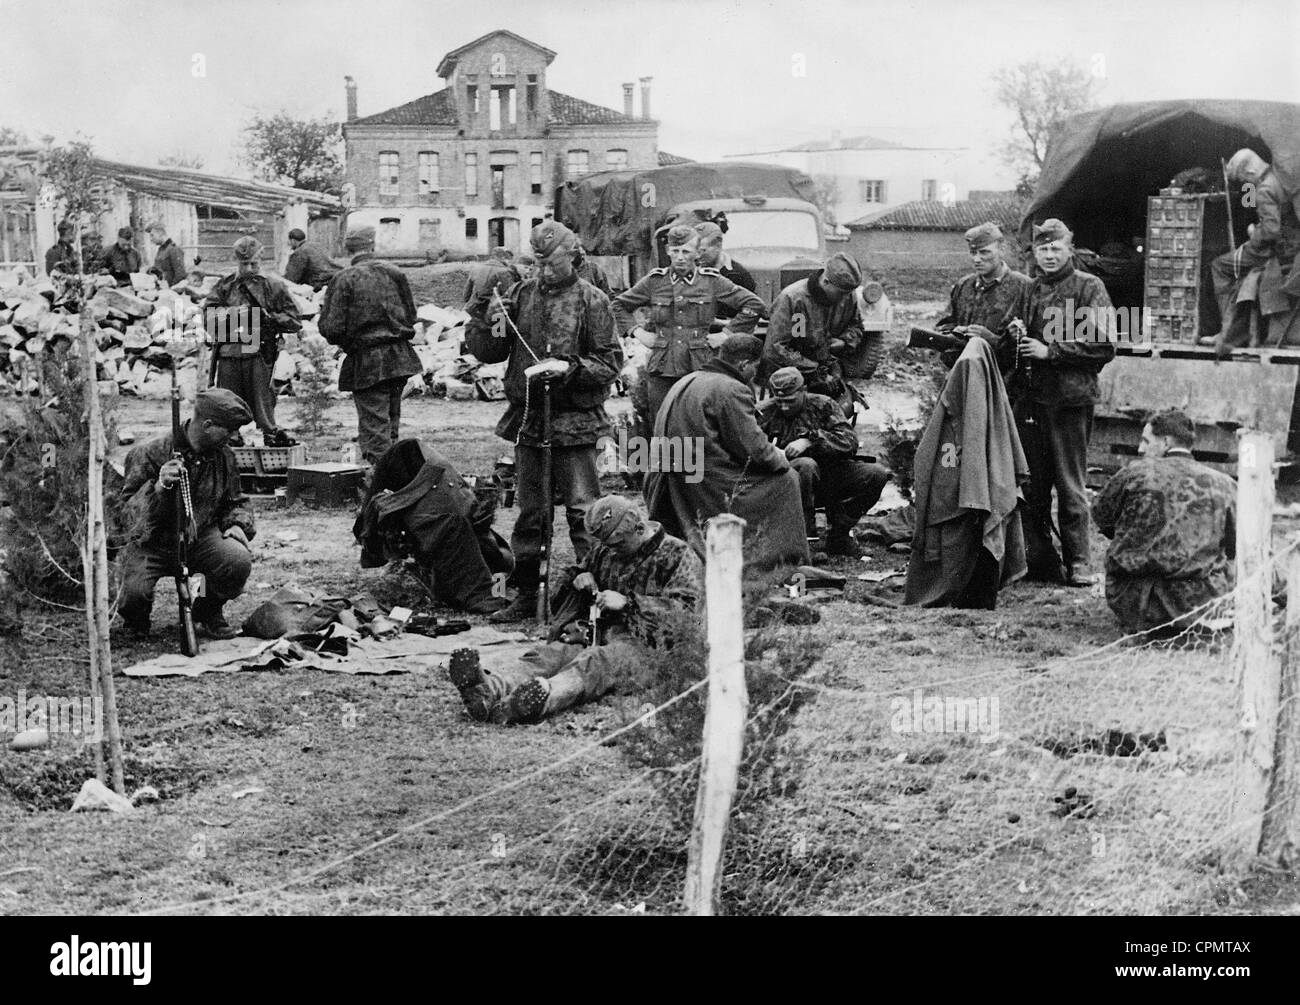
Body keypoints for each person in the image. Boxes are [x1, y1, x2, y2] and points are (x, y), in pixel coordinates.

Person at [464, 220, 623, 622]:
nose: (544, 272)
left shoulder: (593, 300)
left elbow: (610, 363)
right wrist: (486, 318)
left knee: (583, 512)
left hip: (575, 421)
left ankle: (593, 595)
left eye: (552, 263)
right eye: (538, 264)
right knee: (531, 514)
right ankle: (524, 594)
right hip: (529, 419)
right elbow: (490, 352)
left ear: (573, 257)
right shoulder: (519, 294)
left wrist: (567, 369)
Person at [449, 494, 702, 724]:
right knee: (550, 655)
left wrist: (628, 604)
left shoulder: (677, 554)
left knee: (594, 664)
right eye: (607, 546)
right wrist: (580, 577)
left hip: (648, 649)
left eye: (618, 545)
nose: (610, 552)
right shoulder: (608, 547)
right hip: (595, 633)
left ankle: (539, 700)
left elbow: (687, 617)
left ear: (639, 529)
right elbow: (572, 581)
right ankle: (487, 690)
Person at [646, 333, 808, 580]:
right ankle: (776, 562)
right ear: (743, 364)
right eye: (755, 366)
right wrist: (782, 457)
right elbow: (756, 451)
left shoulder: (687, 379)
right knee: (787, 479)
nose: (756, 374)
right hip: (705, 482)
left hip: (665, 478)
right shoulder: (731, 388)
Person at [1014, 218, 1115, 587]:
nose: (1049, 255)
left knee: (1071, 485)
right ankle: (1040, 560)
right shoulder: (1032, 289)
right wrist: (1018, 337)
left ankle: (1079, 563)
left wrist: (1049, 351)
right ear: (1035, 253)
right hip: (1034, 400)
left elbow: (1105, 346)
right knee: (1034, 486)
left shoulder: (1090, 287)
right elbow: (1024, 339)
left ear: (1069, 249)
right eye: (1043, 249)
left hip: (1070, 401)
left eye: (1056, 248)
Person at [117, 388, 256, 640]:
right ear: (208, 425)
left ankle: (206, 610)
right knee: (134, 593)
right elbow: (126, 518)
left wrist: (237, 524)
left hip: (199, 538)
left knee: (235, 560)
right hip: (151, 543)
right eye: (230, 429)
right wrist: (158, 487)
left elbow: (236, 501)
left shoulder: (224, 457)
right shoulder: (149, 452)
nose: (236, 437)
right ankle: (136, 621)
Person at [903, 338, 1029, 608]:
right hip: (960, 492)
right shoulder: (976, 406)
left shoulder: (987, 409)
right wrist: (952, 477)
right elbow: (942, 455)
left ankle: (971, 591)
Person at [1092, 410, 1236, 636]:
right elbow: (1236, 545)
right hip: (1200, 602)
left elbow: (1102, 517)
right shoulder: (1224, 484)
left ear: (1166, 442)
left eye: (1145, 441)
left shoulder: (1133, 474)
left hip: (1136, 602)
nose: (1140, 449)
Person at [612, 223, 764, 425]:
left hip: (700, 366)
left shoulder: (711, 281)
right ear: (668, 251)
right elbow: (617, 305)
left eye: (686, 251)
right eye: (675, 251)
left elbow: (754, 304)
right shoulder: (655, 281)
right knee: (663, 424)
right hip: (662, 368)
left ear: (696, 253)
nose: (681, 257)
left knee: (699, 424)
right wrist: (637, 332)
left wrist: (727, 334)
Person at [353, 438, 512, 615]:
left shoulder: (451, 521)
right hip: (424, 480)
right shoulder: (447, 518)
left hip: (432, 488)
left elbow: (497, 573)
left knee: (488, 555)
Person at [757, 366, 889, 557]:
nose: (784, 407)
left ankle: (840, 533)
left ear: (803, 391)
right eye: (780, 401)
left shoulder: (823, 405)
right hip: (784, 483)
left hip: (830, 476)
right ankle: (802, 541)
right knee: (805, 466)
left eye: (790, 401)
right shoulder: (764, 413)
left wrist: (811, 440)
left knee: (876, 474)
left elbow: (849, 442)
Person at [319, 225, 422, 466]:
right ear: (373, 245)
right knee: (390, 423)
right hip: (399, 357)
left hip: (367, 361)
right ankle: (393, 480)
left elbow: (332, 328)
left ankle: (383, 483)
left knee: (375, 429)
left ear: (347, 248)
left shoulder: (344, 279)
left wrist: (346, 340)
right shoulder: (395, 273)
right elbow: (411, 315)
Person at [203, 236, 302, 448]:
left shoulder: (273, 286)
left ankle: (271, 439)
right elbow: (207, 319)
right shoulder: (225, 286)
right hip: (229, 352)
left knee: (264, 407)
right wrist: (232, 313)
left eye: (254, 263)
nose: (249, 268)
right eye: (244, 264)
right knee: (227, 405)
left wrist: (269, 317)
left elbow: (294, 320)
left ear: (261, 259)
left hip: (259, 352)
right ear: (236, 261)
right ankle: (230, 443)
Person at [1207, 148, 1300, 352]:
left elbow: (1271, 231)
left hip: (1275, 251)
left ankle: (1230, 332)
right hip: (1290, 247)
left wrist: (1253, 234)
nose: (1245, 184)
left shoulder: (1264, 189)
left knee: (1219, 266)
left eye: (1243, 179)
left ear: (1250, 173)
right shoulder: (1278, 178)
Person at [762, 251, 866, 410]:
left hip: (829, 374)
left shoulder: (847, 295)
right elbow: (778, 348)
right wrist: (812, 368)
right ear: (826, 282)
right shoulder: (794, 299)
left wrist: (845, 341)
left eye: (848, 294)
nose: (846, 299)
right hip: (794, 379)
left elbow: (856, 326)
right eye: (842, 294)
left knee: (839, 417)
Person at [935, 222, 1033, 373]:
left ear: (1002, 250)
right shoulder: (964, 285)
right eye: (973, 253)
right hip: (967, 374)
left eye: (984, 252)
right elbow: (945, 324)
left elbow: (1033, 343)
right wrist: (956, 332)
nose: (977, 259)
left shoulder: (1024, 287)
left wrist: (993, 340)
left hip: (1006, 381)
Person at [693, 220, 758, 313]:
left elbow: (751, 310)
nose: (697, 256)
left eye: (702, 250)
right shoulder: (690, 270)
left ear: (718, 245)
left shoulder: (739, 275)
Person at [146, 223, 188, 288]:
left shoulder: (173, 249)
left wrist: (171, 289)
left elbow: (180, 274)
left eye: (152, 235)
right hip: (160, 288)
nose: (151, 239)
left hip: (170, 291)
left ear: (160, 234)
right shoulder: (161, 249)